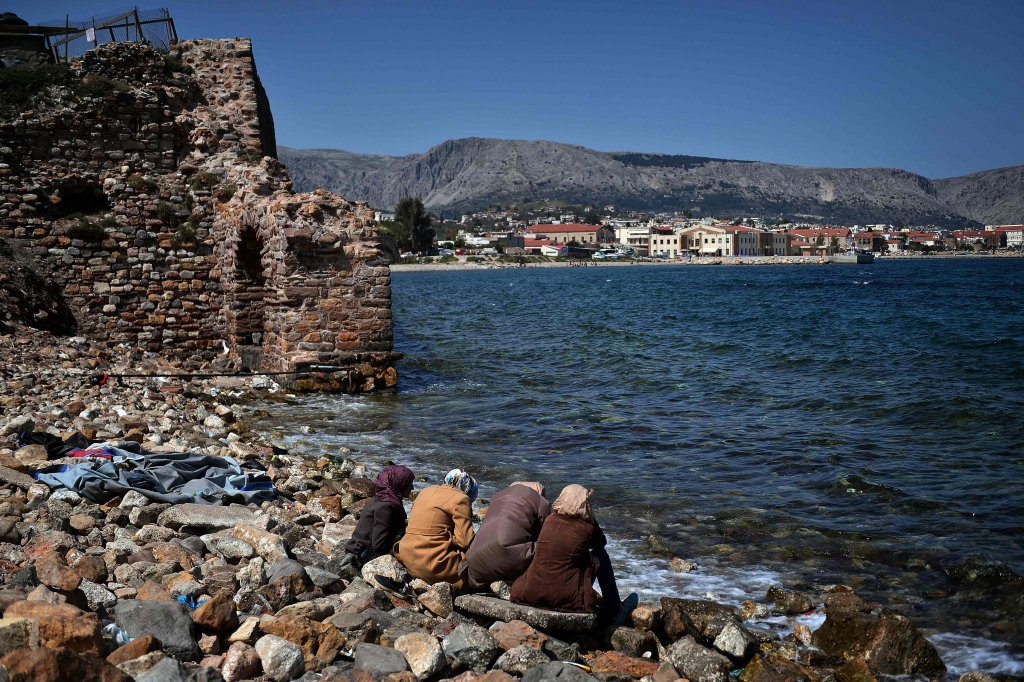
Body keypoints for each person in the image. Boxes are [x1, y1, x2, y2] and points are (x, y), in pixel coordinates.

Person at [510, 484, 637, 626]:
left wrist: (586, 556)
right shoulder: (585, 528)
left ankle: (613, 608)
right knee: (600, 555)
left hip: (529, 591)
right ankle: (615, 611)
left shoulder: (549, 521)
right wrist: (591, 518)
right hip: (563, 596)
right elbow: (601, 542)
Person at [396, 468, 477, 589]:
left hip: (406, 556)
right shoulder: (461, 499)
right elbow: (465, 541)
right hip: (433, 565)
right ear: (467, 489)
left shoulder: (425, 491)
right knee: (477, 562)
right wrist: (450, 537)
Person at [464, 481, 550, 588]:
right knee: (549, 547)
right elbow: (547, 533)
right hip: (508, 558)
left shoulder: (497, 497)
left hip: (474, 564)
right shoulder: (540, 501)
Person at [340, 465, 415, 576]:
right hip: (362, 557)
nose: (412, 488)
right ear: (399, 483)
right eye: (409, 484)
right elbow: (379, 544)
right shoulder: (387, 506)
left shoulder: (379, 498)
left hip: (356, 549)